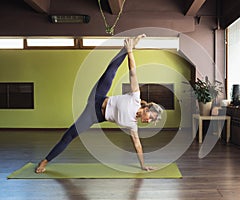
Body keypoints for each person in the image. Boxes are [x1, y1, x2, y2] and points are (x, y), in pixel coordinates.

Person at [35, 34, 163, 173]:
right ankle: (127, 48)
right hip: (98, 97)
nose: (149, 120)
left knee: (70, 135)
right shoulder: (136, 98)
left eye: (151, 120)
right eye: (151, 116)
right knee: (110, 73)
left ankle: (44, 161)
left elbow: (137, 145)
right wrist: (130, 52)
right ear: (147, 108)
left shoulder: (133, 125)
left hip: (94, 114)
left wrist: (143, 165)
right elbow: (133, 73)